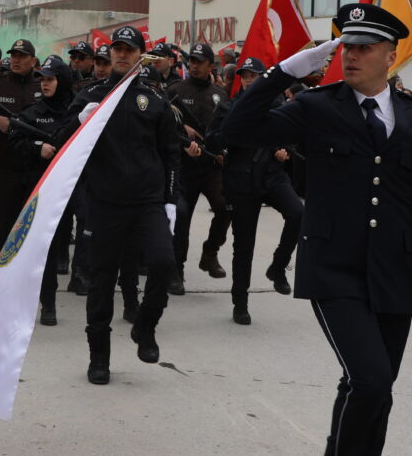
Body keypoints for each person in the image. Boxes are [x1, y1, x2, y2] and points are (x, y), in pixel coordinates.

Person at [220, 5, 412, 456]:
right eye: (345, 46)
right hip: (334, 270)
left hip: (394, 274)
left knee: (374, 395)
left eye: (363, 47)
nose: (350, 55)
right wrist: (283, 72)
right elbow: (237, 130)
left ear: (391, 55)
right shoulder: (317, 106)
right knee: (370, 381)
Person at [60, 25, 180, 386]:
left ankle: (146, 326)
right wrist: (80, 122)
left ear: (140, 55)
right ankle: (99, 356)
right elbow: (62, 140)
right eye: (117, 49)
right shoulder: (92, 96)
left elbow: (170, 154)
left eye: (129, 49)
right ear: (110, 53)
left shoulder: (154, 100)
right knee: (101, 280)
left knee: (163, 263)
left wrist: (170, 201)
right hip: (105, 203)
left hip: (147, 202)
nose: (122, 55)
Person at [207, 56, 302, 324]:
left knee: (298, 214)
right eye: (245, 76)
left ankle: (278, 266)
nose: (249, 80)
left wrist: (283, 150)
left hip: (271, 175)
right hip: (241, 181)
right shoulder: (228, 107)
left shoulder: (278, 106)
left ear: (263, 78)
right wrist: (230, 134)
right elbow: (212, 140)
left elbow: (291, 136)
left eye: (254, 76)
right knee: (244, 247)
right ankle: (240, 302)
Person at [7, 54, 78, 325]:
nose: (44, 84)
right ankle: (48, 302)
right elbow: (14, 142)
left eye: (50, 79)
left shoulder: (78, 112)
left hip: (76, 187)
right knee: (45, 248)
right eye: (42, 79)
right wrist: (39, 148)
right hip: (44, 190)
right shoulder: (32, 113)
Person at [166, 42, 231, 288]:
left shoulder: (220, 93)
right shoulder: (175, 90)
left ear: (210, 65)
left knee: (226, 207)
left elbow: (226, 128)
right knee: (182, 217)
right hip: (184, 166)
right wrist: (182, 129)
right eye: (192, 61)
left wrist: (223, 151)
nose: (194, 65)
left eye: (200, 61)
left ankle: (210, 253)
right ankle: (177, 269)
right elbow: (162, 121)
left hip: (211, 165)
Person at [0, 39, 43, 258]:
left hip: (35, 166)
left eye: (22, 56)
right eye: (13, 55)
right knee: (4, 226)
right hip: (4, 166)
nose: (16, 60)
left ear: (32, 60)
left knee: (32, 228)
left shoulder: (41, 84)